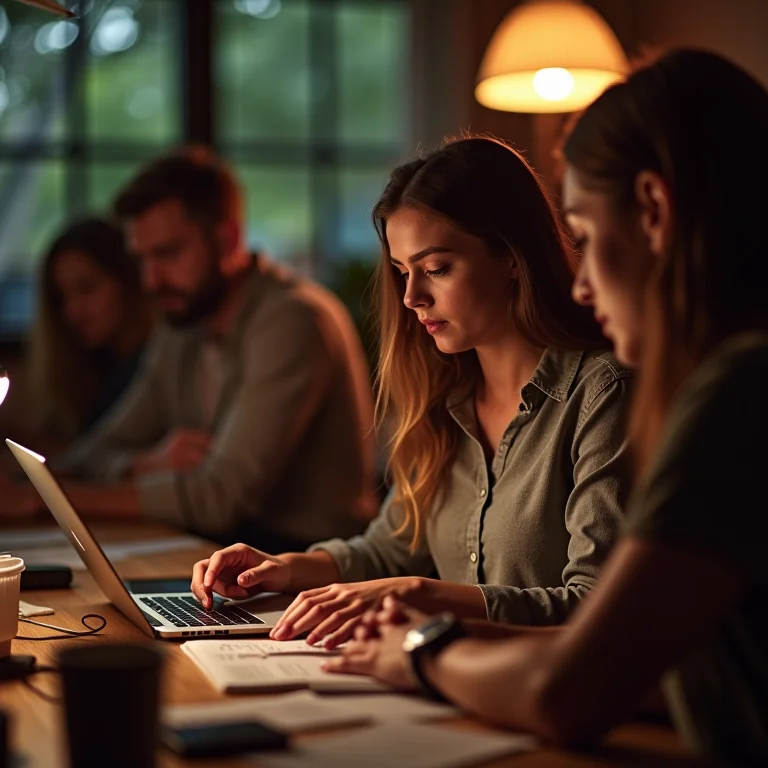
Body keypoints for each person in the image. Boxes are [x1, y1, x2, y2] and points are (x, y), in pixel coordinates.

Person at [322, 50, 768, 764]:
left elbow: (572, 686)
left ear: (654, 210)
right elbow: (647, 665)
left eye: (586, 240)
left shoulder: (738, 392)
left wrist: (421, 651)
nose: (583, 286)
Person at [191, 136, 633, 647]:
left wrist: (427, 596)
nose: (412, 298)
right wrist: (282, 568)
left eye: (437, 269)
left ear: (512, 256)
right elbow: (391, 549)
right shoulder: (444, 398)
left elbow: (598, 604)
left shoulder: (600, 395)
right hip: (443, 683)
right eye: (403, 272)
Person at [3, 147, 377, 551]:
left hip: (311, 565)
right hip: (223, 552)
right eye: (141, 259)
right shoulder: (182, 322)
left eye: (167, 253)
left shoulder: (294, 319)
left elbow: (220, 499)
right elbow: (97, 449)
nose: (151, 280)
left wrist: (41, 501)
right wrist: (138, 465)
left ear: (228, 239)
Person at [28, 217, 154, 441]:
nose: (73, 311)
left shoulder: (154, 365)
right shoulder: (91, 373)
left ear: (127, 281)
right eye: (61, 298)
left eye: (87, 288)